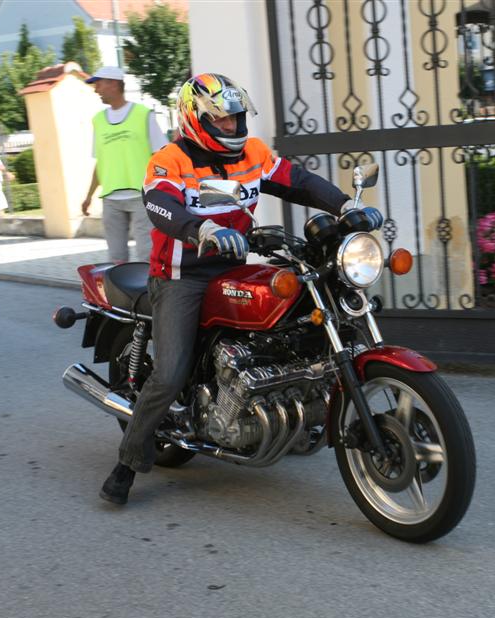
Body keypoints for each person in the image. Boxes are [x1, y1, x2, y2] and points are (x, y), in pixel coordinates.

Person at [100, 73, 382, 505]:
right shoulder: (169, 160)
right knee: (171, 373)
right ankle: (129, 460)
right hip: (182, 275)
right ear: (197, 120)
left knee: (292, 320)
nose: (233, 126)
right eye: (224, 120)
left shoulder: (252, 152)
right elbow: (159, 206)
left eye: (236, 117)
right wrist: (200, 229)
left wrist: (345, 206)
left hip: (232, 266)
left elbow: (298, 181)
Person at [82, 65, 168, 262]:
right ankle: (123, 293)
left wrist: (165, 191)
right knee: (116, 258)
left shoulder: (143, 114)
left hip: (142, 196)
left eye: (99, 84)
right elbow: (100, 163)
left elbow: (162, 156)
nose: (96, 90)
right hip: (111, 199)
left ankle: (150, 292)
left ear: (113, 84)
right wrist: (89, 196)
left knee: (148, 256)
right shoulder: (98, 120)